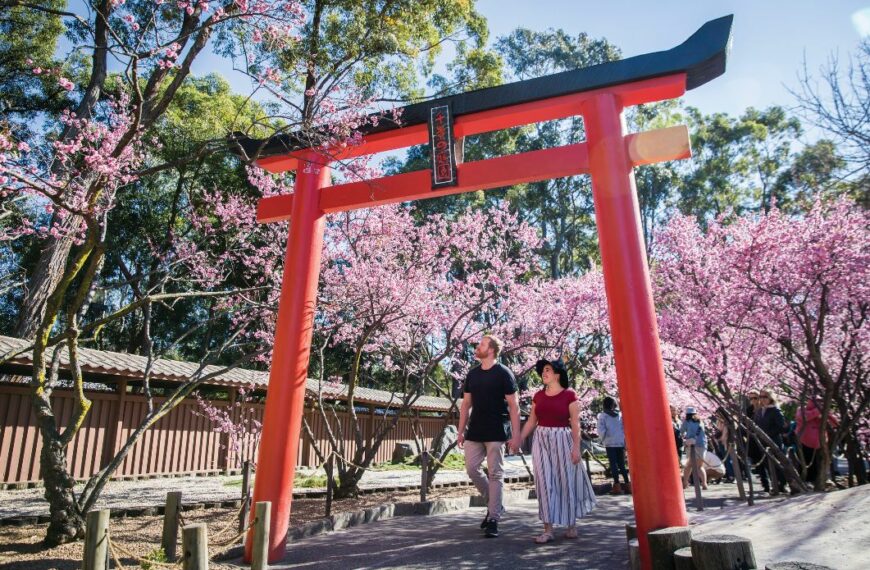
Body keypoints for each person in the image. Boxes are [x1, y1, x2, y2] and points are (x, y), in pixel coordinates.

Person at [518, 358, 596, 544]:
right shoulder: (538, 395)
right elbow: (531, 421)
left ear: (557, 374)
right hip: (541, 439)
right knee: (543, 482)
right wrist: (519, 438)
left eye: (548, 370)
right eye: (543, 370)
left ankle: (571, 525)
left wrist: (576, 448)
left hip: (563, 439)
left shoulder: (569, 395)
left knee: (565, 479)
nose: (544, 373)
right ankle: (548, 529)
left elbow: (575, 424)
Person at [457, 334, 522, 539]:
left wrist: (517, 436)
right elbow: (466, 404)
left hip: (496, 430)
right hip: (475, 430)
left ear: (491, 350)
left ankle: (493, 518)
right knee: (471, 469)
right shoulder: (472, 374)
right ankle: (495, 504)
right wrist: (460, 431)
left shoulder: (504, 373)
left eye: (482, 344)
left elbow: (514, 406)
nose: (478, 346)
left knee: (495, 473)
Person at [796, 399, 839, 486]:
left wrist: (826, 414)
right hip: (805, 442)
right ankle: (806, 481)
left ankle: (822, 479)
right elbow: (804, 417)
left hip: (820, 443)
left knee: (820, 463)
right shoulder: (802, 410)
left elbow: (835, 423)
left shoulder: (824, 412)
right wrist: (817, 411)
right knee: (806, 462)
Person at [756, 390, 788, 493]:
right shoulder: (760, 411)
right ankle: (774, 485)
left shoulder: (775, 411)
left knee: (778, 465)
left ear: (770, 398)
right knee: (767, 464)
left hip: (774, 441)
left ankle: (782, 484)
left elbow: (781, 427)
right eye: (760, 397)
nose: (762, 399)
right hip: (762, 442)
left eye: (765, 396)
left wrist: (768, 434)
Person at [597, 396, 630, 494]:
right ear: (613, 404)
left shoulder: (603, 416)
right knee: (621, 464)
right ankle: (628, 485)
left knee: (613, 464)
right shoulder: (619, 415)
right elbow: (624, 428)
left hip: (610, 442)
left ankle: (617, 486)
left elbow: (601, 430)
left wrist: (602, 439)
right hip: (620, 442)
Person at [680, 407, 708, 490]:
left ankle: (685, 483)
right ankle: (704, 483)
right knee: (699, 466)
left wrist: (685, 438)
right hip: (702, 445)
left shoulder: (686, 421)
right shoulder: (700, 421)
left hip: (692, 446)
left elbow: (681, 431)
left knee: (689, 465)